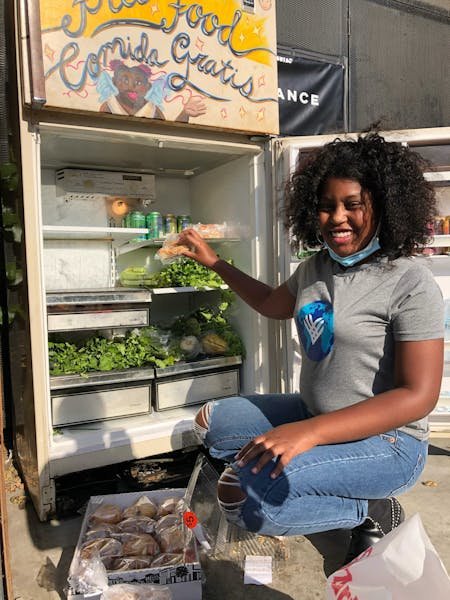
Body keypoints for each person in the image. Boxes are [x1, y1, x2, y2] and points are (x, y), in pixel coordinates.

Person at [177, 132, 444, 564]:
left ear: (381, 204)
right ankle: (329, 488)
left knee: (240, 497)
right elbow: (269, 303)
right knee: (212, 423)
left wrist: (308, 435)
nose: (337, 217)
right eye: (326, 204)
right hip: (315, 412)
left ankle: (367, 510)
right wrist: (214, 261)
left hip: (389, 443)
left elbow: (419, 396)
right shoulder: (315, 268)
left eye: (352, 204)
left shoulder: (409, 282)